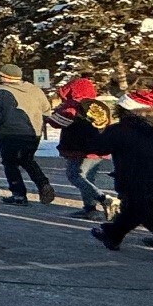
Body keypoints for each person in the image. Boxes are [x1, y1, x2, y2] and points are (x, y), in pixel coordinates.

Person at [58, 94, 153, 254]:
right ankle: (113, 235)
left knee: (145, 211)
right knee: (135, 209)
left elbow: (97, 146)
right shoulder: (152, 128)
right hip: (151, 176)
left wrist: (88, 125)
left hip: (135, 177)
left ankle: (113, 234)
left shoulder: (121, 130)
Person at [0, 64, 57, 206]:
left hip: (10, 133)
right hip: (33, 133)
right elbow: (46, 110)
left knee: (10, 164)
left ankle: (19, 194)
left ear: (5, 77)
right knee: (27, 160)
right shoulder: (34, 89)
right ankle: (43, 183)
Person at [49, 78, 110, 219]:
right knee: (88, 179)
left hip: (78, 148)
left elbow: (57, 122)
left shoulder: (73, 105)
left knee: (75, 176)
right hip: (99, 148)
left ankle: (104, 199)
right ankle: (90, 208)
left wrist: (48, 117)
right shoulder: (99, 105)